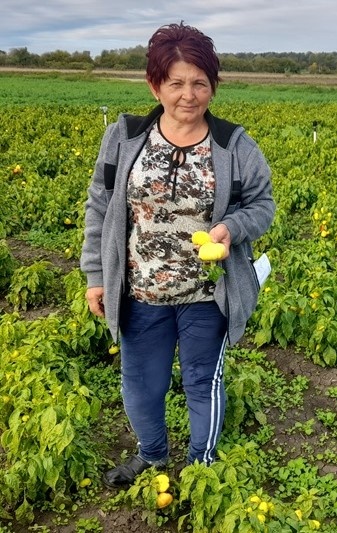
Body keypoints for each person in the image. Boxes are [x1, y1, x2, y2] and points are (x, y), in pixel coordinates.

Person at [80, 22, 275, 488]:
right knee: (141, 387)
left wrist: (231, 227)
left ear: (213, 86)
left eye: (199, 83)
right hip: (140, 291)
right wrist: (95, 274)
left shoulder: (233, 144)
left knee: (201, 382)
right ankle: (151, 456)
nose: (188, 95)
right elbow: (100, 206)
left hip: (207, 295)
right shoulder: (124, 137)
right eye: (176, 82)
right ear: (155, 84)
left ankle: (200, 469)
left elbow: (263, 205)